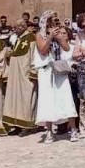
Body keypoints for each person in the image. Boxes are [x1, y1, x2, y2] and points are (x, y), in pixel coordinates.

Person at [34, 12, 78, 143]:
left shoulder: (59, 32)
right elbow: (42, 50)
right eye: (52, 20)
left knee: (65, 96)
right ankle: (49, 131)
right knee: (47, 99)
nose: (55, 22)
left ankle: (73, 129)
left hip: (59, 69)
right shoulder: (39, 35)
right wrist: (50, 37)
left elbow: (66, 47)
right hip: (46, 71)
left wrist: (60, 37)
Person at [2, 17, 37, 133]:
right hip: (15, 76)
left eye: (16, 27)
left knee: (26, 100)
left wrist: (33, 72)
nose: (14, 29)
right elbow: (16, 54)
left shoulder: (30, 38)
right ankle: (16, 125)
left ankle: (27, 125)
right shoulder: (19, 39)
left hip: (24, 75)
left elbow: (32, 55)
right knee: (15, 101)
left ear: (22, 27)